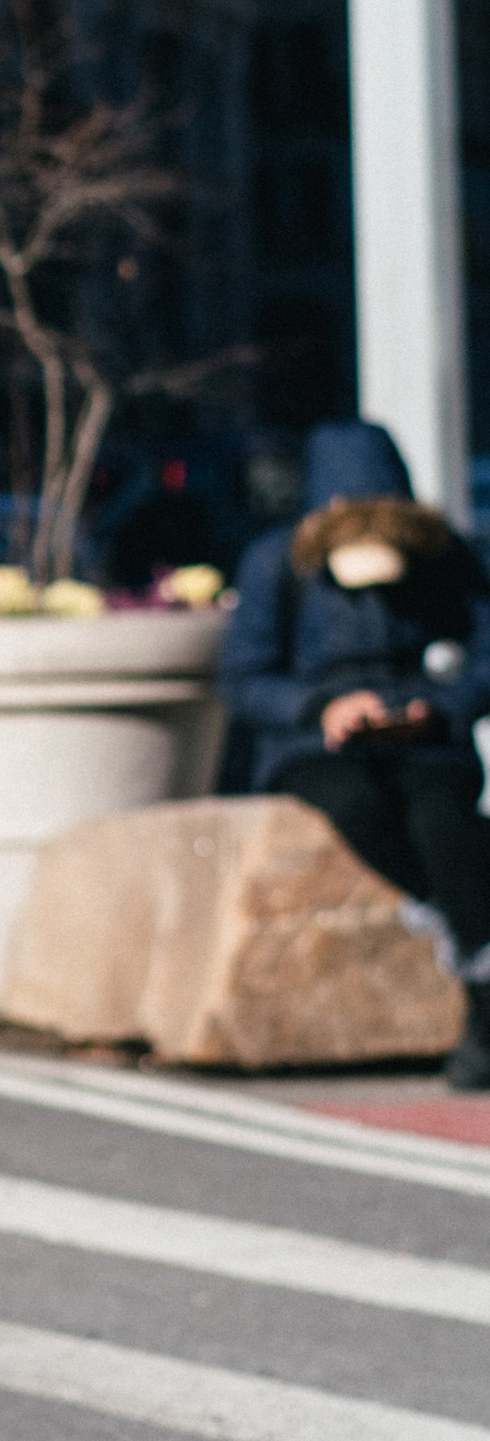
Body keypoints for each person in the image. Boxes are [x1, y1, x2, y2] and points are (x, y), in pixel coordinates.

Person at [222, 417, 490, 1087]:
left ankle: (481, 990)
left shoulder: (443, 558)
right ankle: (460, 923)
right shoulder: (276, 564)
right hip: (317, 743)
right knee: (359, 805)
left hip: (424, 736)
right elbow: (246, 679)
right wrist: (322, 709)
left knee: (443, 819)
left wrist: (443, 707)